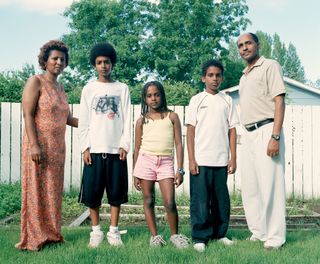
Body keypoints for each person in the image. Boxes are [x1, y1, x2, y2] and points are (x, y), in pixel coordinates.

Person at [15, 40, 78, 251]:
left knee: (53, 193)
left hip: (57, 148)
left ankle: (52, 234)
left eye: (62, 59)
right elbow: (28, 113)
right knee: (36, 192)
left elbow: (67, 118)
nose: (59, 62)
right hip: (38, 146)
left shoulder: (61, 88)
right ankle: (34, 238)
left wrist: (95, 122)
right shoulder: (36, 82)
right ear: (45, 60)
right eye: (55, 58)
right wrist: (34, 145)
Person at [78, 42, 131, 248]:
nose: (103, 66)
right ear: (94, 65)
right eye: (99, 62)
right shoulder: (89, 89)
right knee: (93, 194)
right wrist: (85, 147)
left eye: (106, 62)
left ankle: (113, 231)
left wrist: (125, 144)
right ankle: (96, 231)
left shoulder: (122, 88)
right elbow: (84, 121)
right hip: (95, 149)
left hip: (116, 150)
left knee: (115, 194)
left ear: (112, 63)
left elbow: (127, 119)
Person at [237, 32, 286, 250]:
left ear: (257, 44)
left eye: (248, 43)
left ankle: (275, 238)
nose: (244, 48)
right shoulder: (244, 75)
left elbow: (279, 101)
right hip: (247, 134)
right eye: (240, 45)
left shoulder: (270, 65)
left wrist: (275, 136)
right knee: (251, 187)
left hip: (267, 129)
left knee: (270, 185)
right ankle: (259, 231)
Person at [186, 59, 239, 252]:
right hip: (201, 160)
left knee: (220, 200)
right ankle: (200, 236)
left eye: (218, 75)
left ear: (222, 78)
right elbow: (190, 131)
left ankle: (220, 234)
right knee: (200, 200)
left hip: (221, 160)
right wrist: (191, 159)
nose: (214, 79)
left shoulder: (227, 100)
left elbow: (232, 130)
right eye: (210, 75)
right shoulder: (197, 100)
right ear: (203, 78)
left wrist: (233, 157)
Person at [133, 81, 189, 248]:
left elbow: (178, 143)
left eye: (156, 94)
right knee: (148, 199)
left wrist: (180, 169)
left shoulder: (172, 117)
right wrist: (135, 172)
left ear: (162, 95)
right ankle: (155, 236)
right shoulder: (142, 120)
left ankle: (175, 236)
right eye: (149, 96)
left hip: (165, 162)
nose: (153, 98)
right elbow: (136, 148)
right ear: (144, 99)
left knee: (169, 202)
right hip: (145, 161)